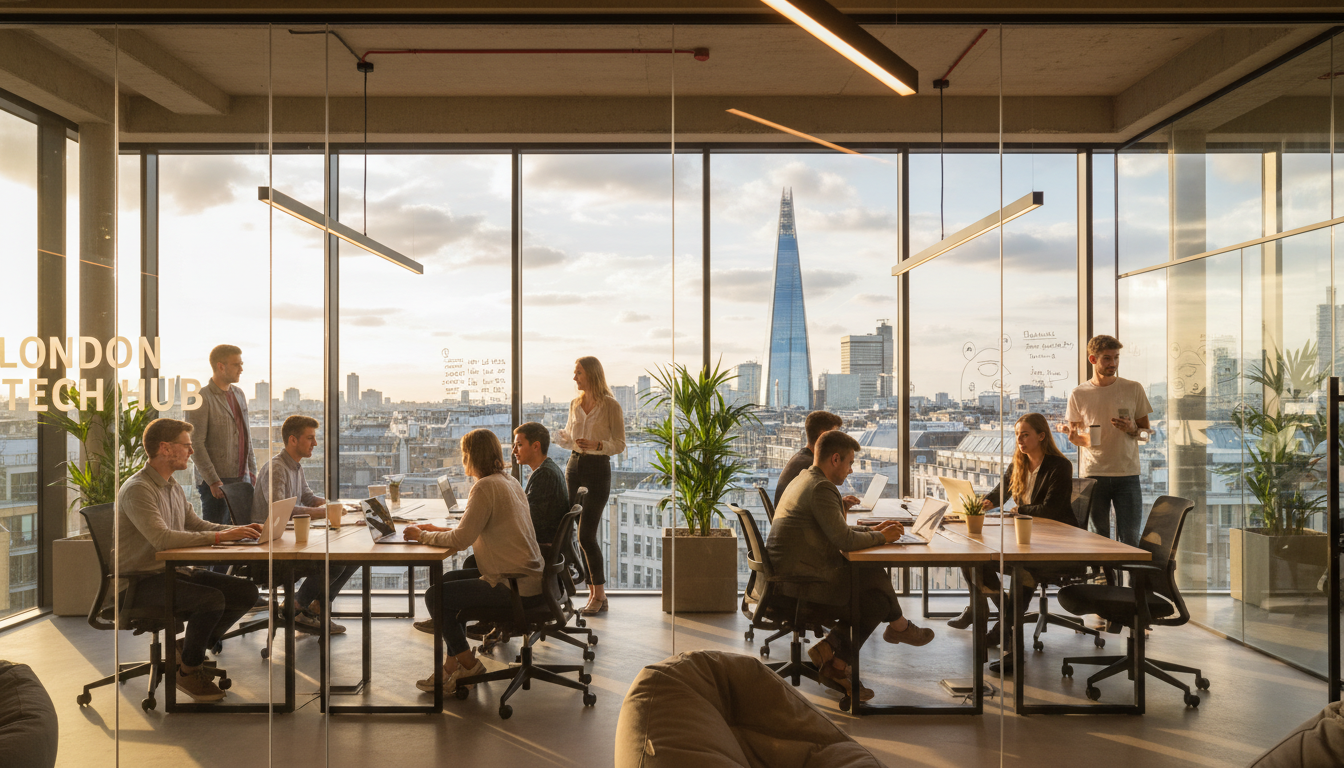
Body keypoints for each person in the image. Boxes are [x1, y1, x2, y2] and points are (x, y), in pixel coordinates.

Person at [766, 430, 935, 702]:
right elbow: (843, 540)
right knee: (875, 598)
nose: (851, 469)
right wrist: (882, 536)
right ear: (835, 459)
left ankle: (837, 649)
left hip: (792, 576)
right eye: (849, 463)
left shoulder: (805, 478)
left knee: (870, 575)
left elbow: (835, 532)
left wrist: (874, 530)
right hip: (802, 584)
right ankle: (846, 659)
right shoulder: (822, 488)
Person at [115, 418, 261, 703]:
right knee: (211, 600)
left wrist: (238, 532)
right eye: (186, 446)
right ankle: (188, 671)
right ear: (165, 449)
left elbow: (196, 524)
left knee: (246, 591)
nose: (191, 452)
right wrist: (221, 539)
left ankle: (185, 650)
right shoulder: (138, 489)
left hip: (172, 572)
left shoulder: (172, 487)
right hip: (139, 582)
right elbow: (164, 539)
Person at [403, 429, 546, 694]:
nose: (462, 459)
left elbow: (461, 540)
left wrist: (422, 535)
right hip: (527, 578)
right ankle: (451, 664)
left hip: (511, 584)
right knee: (445, 583)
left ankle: (468, 664)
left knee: (436, 597)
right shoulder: (508, 480)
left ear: (471, 455)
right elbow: (473, 528)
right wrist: (438, 530)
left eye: (464, 454)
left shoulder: (484, 486)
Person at [947, 414, 1078, 674]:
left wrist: (1020, 510)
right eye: (1017, 434)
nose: (1019, 440)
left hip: (1055, 544)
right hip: (1026, 539)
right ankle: (1002, 621)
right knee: (973, 559)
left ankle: (1005, 637)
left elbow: (1052, 508)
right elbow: (1000, 492)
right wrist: (980, 505)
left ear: (1042, 436)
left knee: (1023, 572)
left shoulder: (1059, 466)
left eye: (1025, 434)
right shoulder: (1018, 463)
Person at [253, 415, 356, 635]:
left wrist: (334, 505)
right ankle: (299, 605)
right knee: (337, 559)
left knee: (352, 556)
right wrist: (325, 513)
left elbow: (307, 497)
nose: (315, 444)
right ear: (292, 440)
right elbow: (281, 509)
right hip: (272, 545)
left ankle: (313, 606)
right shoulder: (277, 469)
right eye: (310, 438)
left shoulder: (295, 467)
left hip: (290, 538)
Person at [1062, 335, 1152, 547]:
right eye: (1107, 358)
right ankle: (1105, 581)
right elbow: (1081, 439)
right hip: (1093, 475)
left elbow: (1146, 432)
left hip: (1127, 473)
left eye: (1116, 358)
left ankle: (1131, 582)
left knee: (1130, 540)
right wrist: (1075, 438)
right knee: (1097, 541)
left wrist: (1132, 429)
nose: (1113, 364)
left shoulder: (1133, 388)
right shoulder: (1078, 394)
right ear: (1093, 360)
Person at [554, 356, 625, 616]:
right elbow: (571, 439)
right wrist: (563, 439)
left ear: (592, 374)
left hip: (597, 470)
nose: (575, 378)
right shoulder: (574, 404)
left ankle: (599, 594)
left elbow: (619, 444)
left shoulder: (611, 406)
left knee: (586, 535)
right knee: (574, 529)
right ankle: (593, 591)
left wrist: (597, 446)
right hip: (574, 467)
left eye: (579, 373)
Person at [186, 344, 256, 526]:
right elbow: (196, 444)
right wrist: (213, 481)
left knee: (242, 534)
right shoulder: (201, 398)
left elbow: (245, 438)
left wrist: (252, 473)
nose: (241, 369)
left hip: (242, 480)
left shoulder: (239, 394)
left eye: (241, 364)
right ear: (220, 366)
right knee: (218, 540)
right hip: (216, 484)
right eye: (237, 364)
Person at [774, 411, 859, 510]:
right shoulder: (812, 466)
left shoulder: (800, 458)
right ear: (823, 436)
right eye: (835, 435)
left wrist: (841, 503)